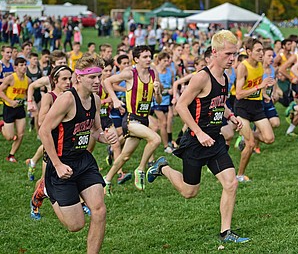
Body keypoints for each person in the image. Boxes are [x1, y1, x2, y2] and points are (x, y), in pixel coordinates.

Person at [147, 30, 249, 243]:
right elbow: (181, 105)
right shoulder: (202, 77)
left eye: (235, 54)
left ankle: (226, 232)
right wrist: (199, 132)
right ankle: (162, 167)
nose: (232, 59)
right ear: (215, 52)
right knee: (189, 192)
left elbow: (220, 101)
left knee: (231, 183)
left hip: (215, 140)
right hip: (196, 141)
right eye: (228, 54)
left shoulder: (226, 76)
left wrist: (231, 116)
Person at [38, 55, 117, 253]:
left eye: (99, 76)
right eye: (92, 77)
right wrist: (56, 165)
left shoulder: (96, 100)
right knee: (76, 225)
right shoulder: (66, 99)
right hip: (61, 164)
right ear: (79, 78)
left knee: (99, 210)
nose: (98, 81)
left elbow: (95, 131)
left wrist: (106, 137)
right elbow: (44, 131)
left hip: (84, 161)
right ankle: (47, 190)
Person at [103, 45, 162, 194]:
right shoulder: (130, 73)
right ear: (136, 59)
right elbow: (107, 82)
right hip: (131, 120)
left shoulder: (154, 73)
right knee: (155, 139)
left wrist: (157, 91)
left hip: (143, 120)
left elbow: (159, 101)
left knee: (125, 155)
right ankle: (141, 169)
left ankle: (107, 180)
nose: (149, 59)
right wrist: (115, 100)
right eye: (145, 57)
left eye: (150, 56)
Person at [30, 65, 73, 219]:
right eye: (64, 79)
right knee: (45, 179)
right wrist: (58, 112)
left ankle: (79, 202)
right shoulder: (49, 97)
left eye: (70, 78)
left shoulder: (71, 96)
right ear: (55, 80)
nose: (68, 82)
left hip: (69, 144)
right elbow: (41, 121)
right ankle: (35, 202)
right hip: (53, 144)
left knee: (74, 173)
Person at [234, 38, 275, 182]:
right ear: (249, 52)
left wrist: (265, 93)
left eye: (262, 50)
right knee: (250, 144)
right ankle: (239, 175)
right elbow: (238, 94)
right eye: (258, 50)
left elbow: (257, 85)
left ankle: (249, 135)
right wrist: (260, 87)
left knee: (269, 139)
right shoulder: (243, 67)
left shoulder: (260, 66)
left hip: (257, 105)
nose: (261, 53)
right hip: (243, 106)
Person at [0, 57, 31, 162]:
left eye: (25, 64)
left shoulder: (28, 80)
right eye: (21, 65)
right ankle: (1, 126)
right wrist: (10, 101)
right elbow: (0, 91)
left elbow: (28, 95)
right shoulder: (10, 78)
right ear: (15, 67)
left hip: (20, 109)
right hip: (9, 108)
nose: (24, 67)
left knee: (21, 134)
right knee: (9, 137)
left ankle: (11, 155)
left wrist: (30, 103)